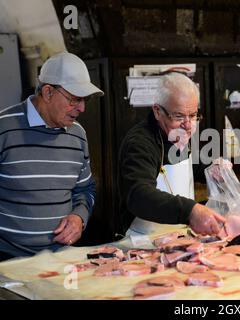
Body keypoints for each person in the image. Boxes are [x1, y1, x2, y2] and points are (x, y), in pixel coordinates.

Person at [0, 52, 102, 260]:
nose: (81, 108)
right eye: (75, 98)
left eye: (85, 100)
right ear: (47, 93)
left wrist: (79, 217)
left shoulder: (78, 134)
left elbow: (85, 189)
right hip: (7, 262)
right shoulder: (4, 129)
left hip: (61, 260)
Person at [118, 72, 225, 236]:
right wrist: (190, 211)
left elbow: (191, 164)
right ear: (157, 111)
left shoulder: (181, 131)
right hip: (145, 239)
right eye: (179, 116)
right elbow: (138, 195)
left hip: (180, 233)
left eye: (193, 115)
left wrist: (212, 169)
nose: (188, 125)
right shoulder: (140, 143)